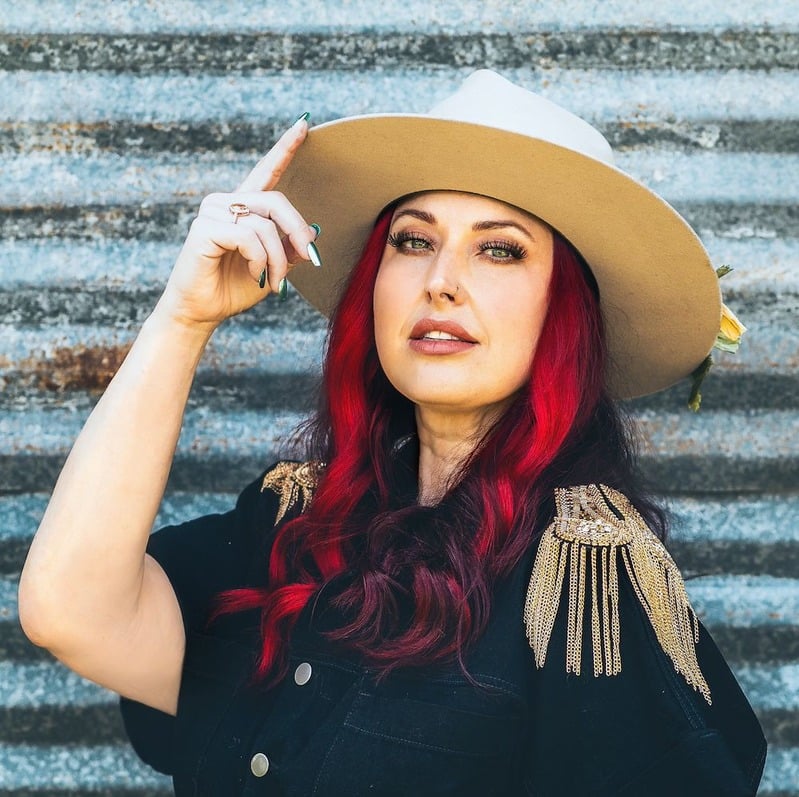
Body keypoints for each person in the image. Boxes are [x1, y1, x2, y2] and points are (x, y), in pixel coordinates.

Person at [18, 70, 765, 796]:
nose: (440, 280)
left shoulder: (581, 583)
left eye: (499, 249)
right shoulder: (293, 522)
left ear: (563, 310)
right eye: (412, 241)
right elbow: (67, 612)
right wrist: (183, 319)